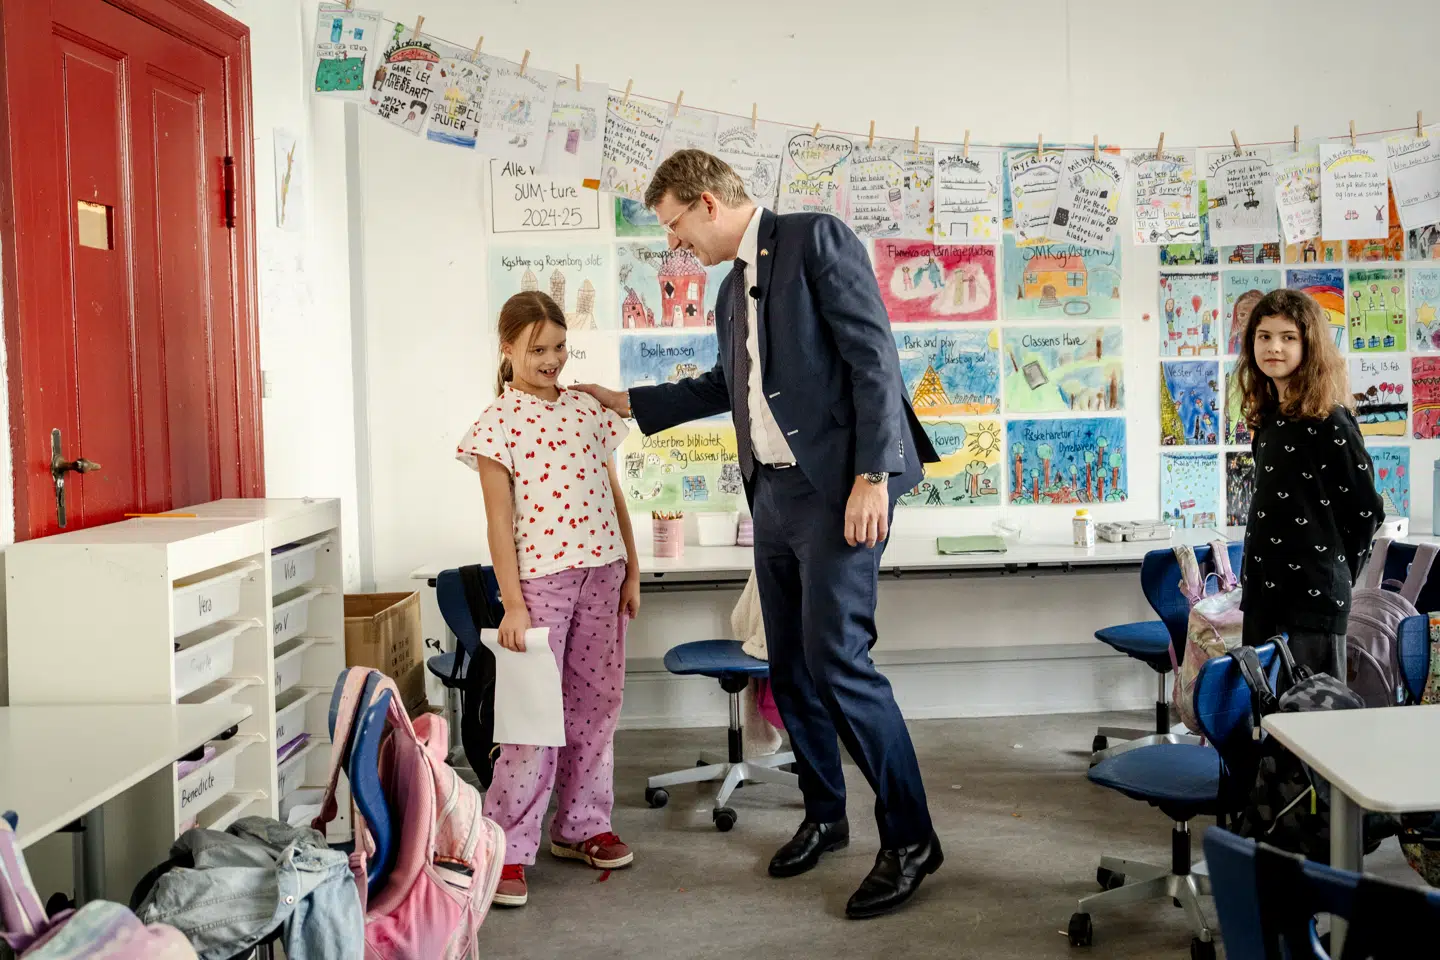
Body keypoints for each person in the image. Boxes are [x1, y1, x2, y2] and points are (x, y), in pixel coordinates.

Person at [574, 149, 942, 919]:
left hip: (839, 491)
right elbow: (729, 384)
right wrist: (631, 400)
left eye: (675, 224)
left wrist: (873, 475)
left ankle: (911, 838)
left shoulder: (813, 240)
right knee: (791, 669)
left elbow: (873, 358)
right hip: (770, 495)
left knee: (840, 663)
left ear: (706, 203)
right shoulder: (729, 292)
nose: (675, 242)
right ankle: (827, 815)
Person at [455, 291, 641, 908]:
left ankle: (581, 825)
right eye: (538, 349)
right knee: (531, 719)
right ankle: (505, 847)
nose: (552, 359)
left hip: (603, 576)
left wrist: (632, 571)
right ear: (507, 348)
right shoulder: (496, 424)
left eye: (560, 347)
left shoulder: (589, 409)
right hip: (540, 585)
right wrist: (512, 603)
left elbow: (614, 496)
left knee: (596, 706)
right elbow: (498, 524)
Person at [1233, 289, 1383, 676]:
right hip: (1263, 596)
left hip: (1313, 602)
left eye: (1288, 337)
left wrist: (1336, 571)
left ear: (1309, 345)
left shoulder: (1330, 420)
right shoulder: (1268, 418)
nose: (1274, 347)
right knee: (1264, 708)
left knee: (1311, 710)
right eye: (1264, 336)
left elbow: (1366, 511)